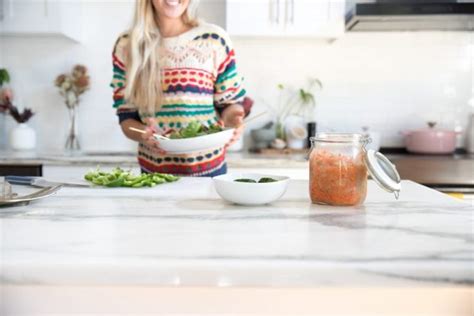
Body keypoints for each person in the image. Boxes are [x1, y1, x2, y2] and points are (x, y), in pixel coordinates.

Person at [111, 0, 249, 176]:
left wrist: (234, 120)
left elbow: (230, 104)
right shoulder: (127, 46)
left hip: (211, 172)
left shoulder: (214, 40)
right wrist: (143, 133)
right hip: (155, 176)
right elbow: (126, 118)